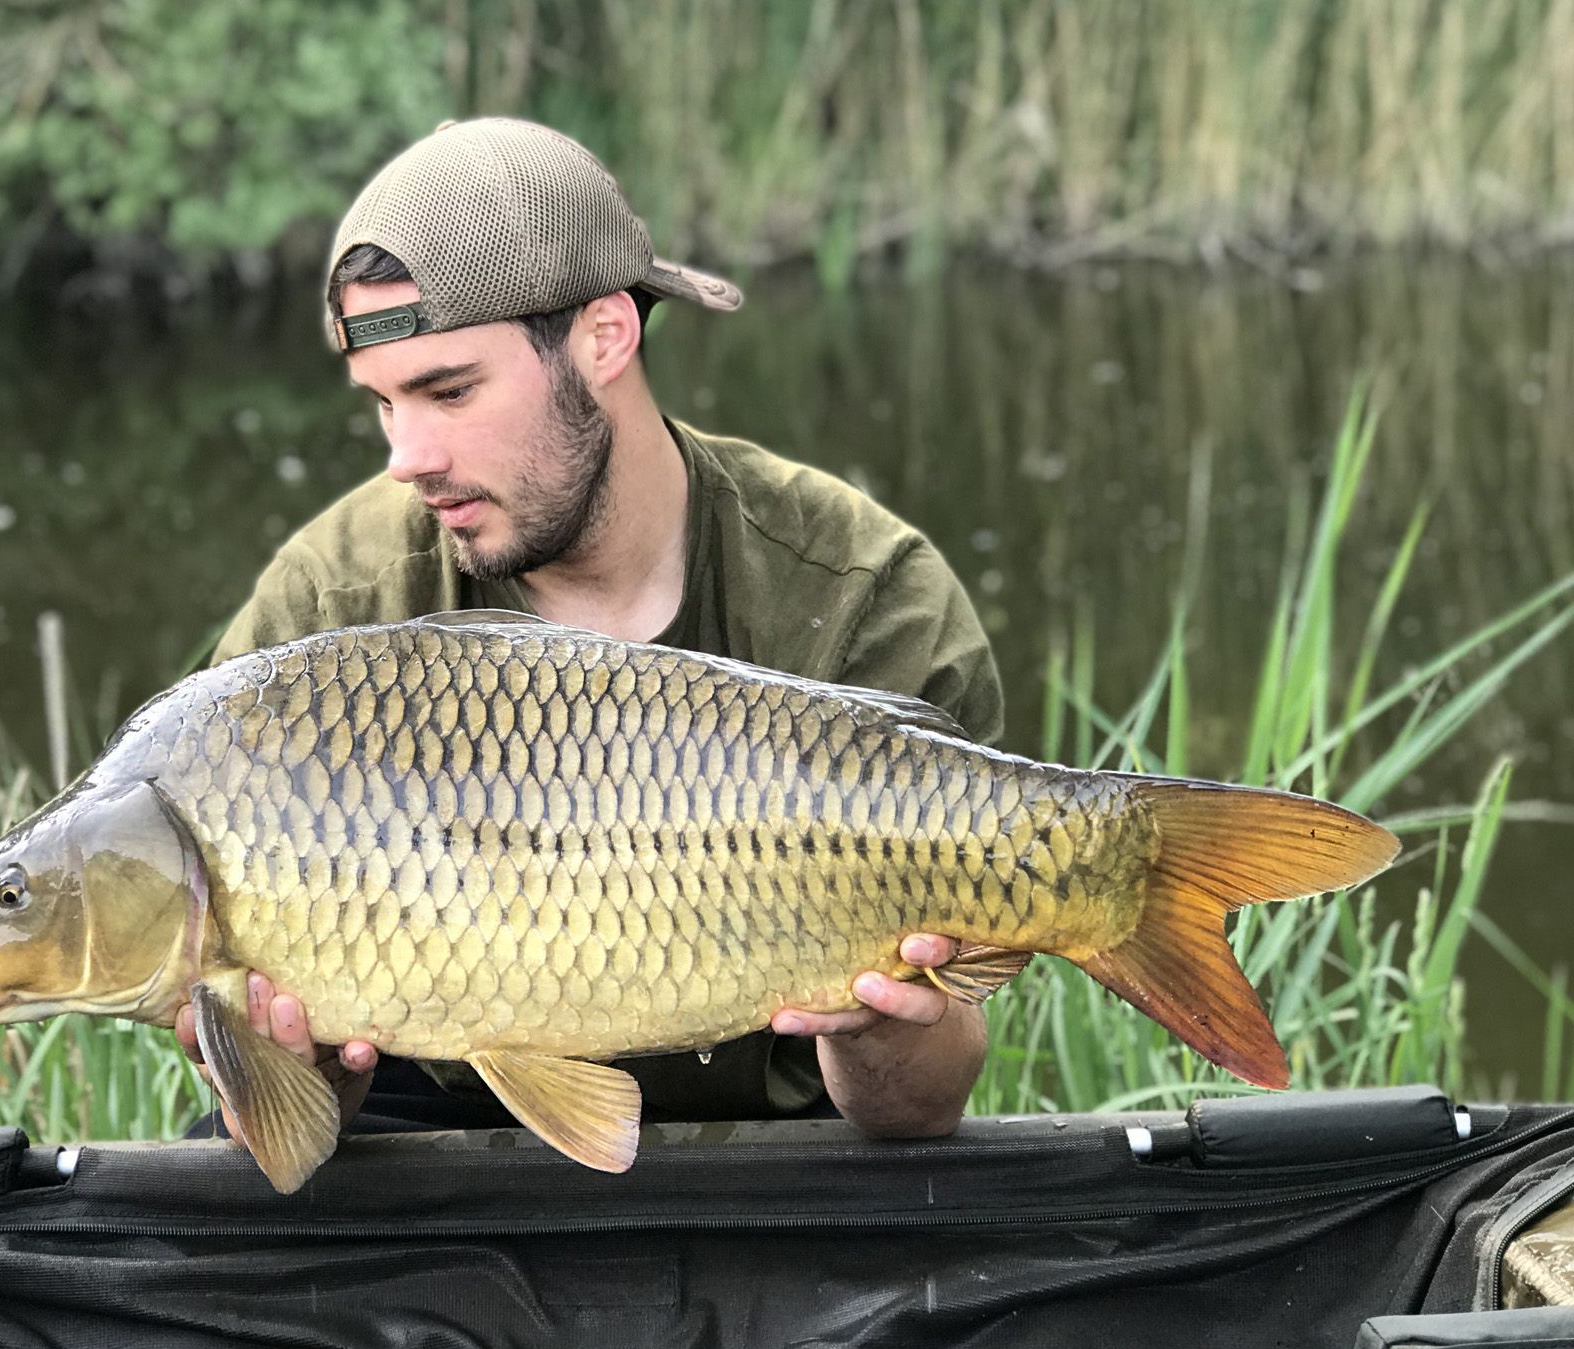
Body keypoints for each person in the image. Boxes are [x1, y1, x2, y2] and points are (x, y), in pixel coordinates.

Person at [176, 117, 1005, 1143]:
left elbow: (916, 1114)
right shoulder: (328, 613)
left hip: (777, 1147)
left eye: (449, 391)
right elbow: (301, 1137)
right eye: (385, 404)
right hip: (439, 1133)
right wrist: (280, 1061)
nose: (408, 457)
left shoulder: (868, 595)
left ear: (604, 336)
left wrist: (882, 1029)